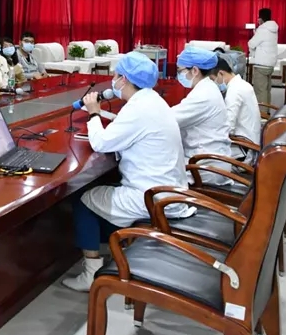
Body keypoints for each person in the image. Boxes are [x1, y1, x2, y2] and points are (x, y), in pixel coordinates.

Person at [61, 52, 193, 292]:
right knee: (101, 190)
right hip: (167, 191)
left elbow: (101, 143)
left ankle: (90, 273)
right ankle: (114, 247)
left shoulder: (138, 109)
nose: (113, 81)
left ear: (124, 79)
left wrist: (93, 112)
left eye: (115, 76)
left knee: (82, 198)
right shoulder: (152, 100)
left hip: (152, 197)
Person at [172, 46, 233, 186]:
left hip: (204, 167)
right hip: (208, 160)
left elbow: (168, 120)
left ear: (195, 70)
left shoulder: (203, 95)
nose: (179, 75)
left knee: (153, 173)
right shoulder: (207, 88)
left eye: (180, 71)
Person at [216, 52, 262, 163]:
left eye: (214, 79)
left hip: (243, 150)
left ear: (221, 73)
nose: (215, 83)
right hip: (250, 142)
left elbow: (229, 127)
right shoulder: (242, 84)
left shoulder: (234, 91)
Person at [248, 8, 278, 105]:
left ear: (261, 18)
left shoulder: (262, 29)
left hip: (261, 64)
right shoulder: (273, 29)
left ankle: (262, 112)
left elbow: (251, 44)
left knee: (260, 90)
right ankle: (267, 110)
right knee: (267, 90)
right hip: (270, 64)